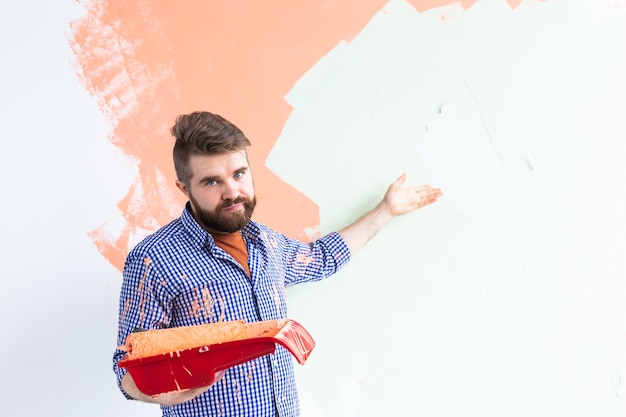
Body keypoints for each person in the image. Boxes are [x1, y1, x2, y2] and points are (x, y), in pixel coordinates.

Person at [113, 111, 443, 416]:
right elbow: (125, 367)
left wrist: (385, 210)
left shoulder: (265, 242)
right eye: (212, 182)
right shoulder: (152, 259)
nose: (232, 192)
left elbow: (322, 258)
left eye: (239, 174)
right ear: (184, 188)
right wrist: (159, 392)